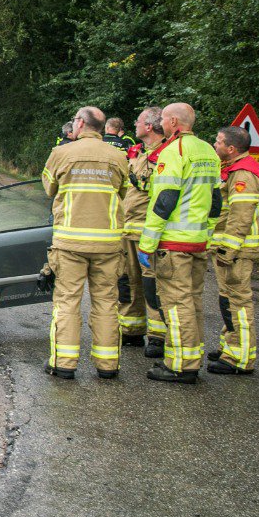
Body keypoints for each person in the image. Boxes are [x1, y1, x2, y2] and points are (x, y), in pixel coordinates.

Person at [40, 106, 131, 380]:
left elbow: (49, 188)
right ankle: (108, 365)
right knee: (107, 303)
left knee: (67, 302)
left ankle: (64, 364)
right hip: (108, 244)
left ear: (80, 123)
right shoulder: (119, 156)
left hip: (70, 242)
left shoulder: (61, 153)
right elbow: (124, 192)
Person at [136, 101, 221, 383]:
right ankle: (190, 357)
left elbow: (164, 201)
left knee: (176, 304)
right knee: (193, 302)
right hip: (197, 242)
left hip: (174, 244)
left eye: (163, 119)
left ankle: (181, 365)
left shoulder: (174, 151)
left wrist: (147, 243)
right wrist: (207, 234)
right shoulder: (208, 151)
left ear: (173, 122)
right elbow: (216, 201)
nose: (160, 123)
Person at [208, 125, 259, 374]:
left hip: (237, 250)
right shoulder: (233, 169)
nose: (215, 144)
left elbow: (241, 215)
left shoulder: (244, 173)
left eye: (219, 141)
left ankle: (240, 358)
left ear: (231, 148)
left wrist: (228, 250)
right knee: (227, 299)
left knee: (238, 302)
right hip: (230, 247)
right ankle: (230, 346)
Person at [118, 107, 166, 350]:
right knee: (127, 281)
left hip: (150, 231)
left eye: (138, 121)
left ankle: (158, 336)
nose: (134, 124)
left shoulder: (166, 155)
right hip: (128, 228)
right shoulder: (136, 152)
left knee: (152, 284)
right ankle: (131, 329)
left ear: (149, 126)